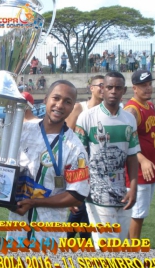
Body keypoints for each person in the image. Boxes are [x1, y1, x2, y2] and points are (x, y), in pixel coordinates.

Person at [0, 80, 90, 242]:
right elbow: (2, 166)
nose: (60, 105)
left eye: (67, 102)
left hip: (49, 235)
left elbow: (76, 195)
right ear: (46, 99)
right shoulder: (23, 131)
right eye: (56, 98)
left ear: (73, 106)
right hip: (16, 230)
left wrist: (34, 203)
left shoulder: (75, 148)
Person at [75, 71, 140, 249]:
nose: (113, 91)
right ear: (102, 89)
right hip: (97, 192)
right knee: (105, 245)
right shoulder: (87, 117)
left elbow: (132, 156)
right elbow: (79, 157)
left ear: (124, 90)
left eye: (118, 88)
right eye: (109, 87)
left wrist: (133, 188)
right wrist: (78, 189)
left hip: (124, 192)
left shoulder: (129, 119)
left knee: (120, 243)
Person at [124, 70, 155, 239]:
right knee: (137, 215)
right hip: (138, 172)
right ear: (134, 88)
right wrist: (143, 160)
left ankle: (128, 252)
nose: (148, 88)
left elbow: (151, 133)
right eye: (143, 85)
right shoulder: (132, 110)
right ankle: (133, 255)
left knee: (140, 214)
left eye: (149, 84)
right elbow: (126, 143)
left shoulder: (150, 105)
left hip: (149, 170)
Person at [65, 75, 104, 240]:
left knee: (89, 209)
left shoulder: (105, 111)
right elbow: (66, 134)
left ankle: (84, 243)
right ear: (92, 88)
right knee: (79, 206)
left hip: (97, 168)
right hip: (79, 165)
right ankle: (67, 239)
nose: (104, 89)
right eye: (100, 85)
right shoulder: (80, 108)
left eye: (106, 85)